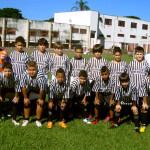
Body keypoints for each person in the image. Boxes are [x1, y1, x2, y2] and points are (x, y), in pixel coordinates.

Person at [128, 46, 149, 130]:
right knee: (134, 104)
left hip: (143, 88)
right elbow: (129, 75)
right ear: (135, 54)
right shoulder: (131, 63)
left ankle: (143, 122)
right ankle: (134, 119)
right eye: (138, 54)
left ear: (143, 55)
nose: (139, 56)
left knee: (143, 105)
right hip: (134, 88)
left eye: (141, 54)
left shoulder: (145, 64)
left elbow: (147, 75)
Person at [20, 61, 47, 127]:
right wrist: (25, 98)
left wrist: (41, 98)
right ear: (27, 69)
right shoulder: (24, 74)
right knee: (26, 102)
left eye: (33, 70)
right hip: (31, 89)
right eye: (30, 70)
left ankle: (38, 120)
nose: (31, 72)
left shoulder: (40, 76)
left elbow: (42, 89)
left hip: (40, 91)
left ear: (36, 69)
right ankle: (26, 119)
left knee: (40, 103)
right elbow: (23, 87)